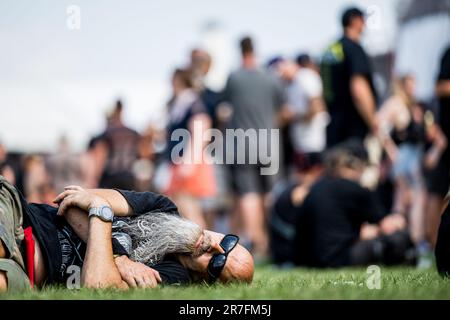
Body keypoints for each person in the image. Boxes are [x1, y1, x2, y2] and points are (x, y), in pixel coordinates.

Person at [0, 177, 254, 292]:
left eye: (218, 264)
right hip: (20, 218)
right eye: (228, 243)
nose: (216, 248)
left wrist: (99, 213)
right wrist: (119, 259)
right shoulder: (162, 207)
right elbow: (75, 202)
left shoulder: (172, 278)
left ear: (206, 280)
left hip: (29, 274)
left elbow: (98, 285)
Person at [293, 140, 413, 268]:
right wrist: (400, 215)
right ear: (359, 166)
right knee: (400, 238)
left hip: (312, 261)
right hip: (343, 258)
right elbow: (388, 226)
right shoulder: (355, 189)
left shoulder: (316, 188)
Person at [223, 36, 286, 258]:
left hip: (241, 143)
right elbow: (284, 110)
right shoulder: (270, 78)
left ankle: (257, 243)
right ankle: (273, 241)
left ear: (240, 51)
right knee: (271, 193)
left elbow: (224, 108)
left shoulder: (234, 78)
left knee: (248, 194)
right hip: (269, 143)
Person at [377, 75, 447, 267]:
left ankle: (400, 247)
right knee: (415, 198)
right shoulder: (396, 103)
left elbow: (436, 136)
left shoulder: (416, 107)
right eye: (410, 84)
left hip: (413, 160)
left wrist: (433, 152)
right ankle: (416, 245)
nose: (413, 88)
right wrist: (390, 150)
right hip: (405, 160)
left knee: (403, 202)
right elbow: (378, 124)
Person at [164, 68, 217, 228]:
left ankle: (203, 245)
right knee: (182, 205)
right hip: (180, 160)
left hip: (188, 160)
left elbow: (202, 130)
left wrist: (190, 161)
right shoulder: (181, 103)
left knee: (188, 206)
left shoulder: (192, 103)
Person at [321, 7, 378, 147]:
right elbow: (358, 88)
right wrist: (373, 121)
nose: (364, 24)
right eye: (362, 20)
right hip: (353, 128)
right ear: (355, 21)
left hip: (334, 125)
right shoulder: (353, 48)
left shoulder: (331, 49)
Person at [277, 58, 329, 173]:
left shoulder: (306, 78)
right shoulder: (290, 85)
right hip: (301, 143)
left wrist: (294, 115)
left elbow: (316, 107)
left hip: (313, 142)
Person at [427, 46, 450, 248]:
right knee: (437, 192)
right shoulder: (448, 53)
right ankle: (432, 244)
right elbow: (440, 87)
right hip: (446, 139)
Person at [97, 99, 141, 190]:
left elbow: (99, 156)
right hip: (128, 176)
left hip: (111, 177)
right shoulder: (133, 133)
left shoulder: (107, 134)